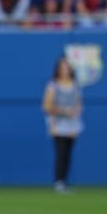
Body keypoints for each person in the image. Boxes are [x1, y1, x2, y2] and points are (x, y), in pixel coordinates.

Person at [42, 57, 83, 193]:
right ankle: (59, 182)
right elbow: (47, 106)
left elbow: (79, 104)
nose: (65, 70)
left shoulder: (75, 85)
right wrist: (64, 111)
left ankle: (64, 181)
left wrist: (75, 111)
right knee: (60, 153)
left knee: (68, 154)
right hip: (58, 124)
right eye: (62, 67)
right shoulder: (53, 85)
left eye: (67, 67)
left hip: (72, 124)